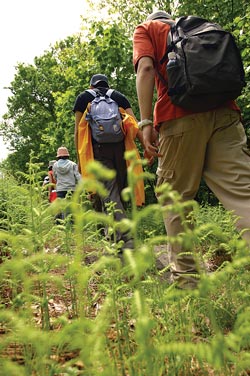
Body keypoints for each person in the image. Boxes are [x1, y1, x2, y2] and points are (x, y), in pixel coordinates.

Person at [133, 10, 250, 289]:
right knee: (242, 193)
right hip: (225, 114)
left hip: (179, 116)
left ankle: (187, 281)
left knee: (175, 196)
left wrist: (146, 121)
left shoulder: (147, 29)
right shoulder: (203, 28)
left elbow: (146, 69)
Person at [73, 74, 147, 252]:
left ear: (91, 85)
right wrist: (146, 147)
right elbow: (135, 125)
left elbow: (78, 131)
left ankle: (124, 238)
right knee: (118, 192)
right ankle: (114, 236)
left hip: (99, 151)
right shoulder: (119, 97)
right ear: (107, 84)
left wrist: (80, 159)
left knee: (110, 193)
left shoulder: (84, 98)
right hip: (122, 150)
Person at [52, 147, 81, 222]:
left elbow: (55, 177)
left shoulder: (55, 165)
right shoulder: (73, 164)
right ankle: (72, 223)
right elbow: (78, 177)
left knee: (63, 207)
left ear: (58, 155)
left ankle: (64, 224)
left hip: (60, 189)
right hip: (72, 189)